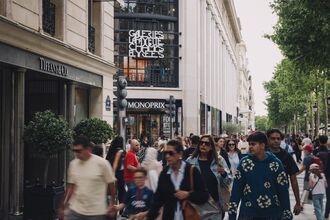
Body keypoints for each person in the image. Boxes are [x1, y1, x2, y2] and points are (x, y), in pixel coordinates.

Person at [229, 132, 292, 220]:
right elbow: (236, 190)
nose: (250, 147)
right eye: (249, 144)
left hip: (271, 214)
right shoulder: (244, 163)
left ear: (262, 145)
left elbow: (283, 191)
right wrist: (232, 215)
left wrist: (287, 214)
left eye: (253, 144)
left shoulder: (275, 164)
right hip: (248, 214)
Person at [147, 139, 209, 220]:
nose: (167, 156)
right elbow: (158, 199)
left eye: (171, 153)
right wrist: (150, 216)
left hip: (189, 216)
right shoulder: (165, 173)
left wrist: (188, 195)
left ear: (180, 154)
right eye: (165, 153)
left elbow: (204, 195)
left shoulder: (192, 171)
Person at [58, 136, 117, 220]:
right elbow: (70, 187)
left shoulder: (102, 163)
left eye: (79, 151)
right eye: (74, 151)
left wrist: (112, 204)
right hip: (75, 210)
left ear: (88, 149)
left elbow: (111, 184)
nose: (76, 153)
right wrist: (63, 207)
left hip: (96, 212)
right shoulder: (73, 164)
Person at [186, 135, 232, 218]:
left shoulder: (219, 160)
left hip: (215, 205)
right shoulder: (190, 160)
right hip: (196, 206)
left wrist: (223, 173)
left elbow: (228, 181)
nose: (203, 145)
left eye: (207, 143)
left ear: (211, 146)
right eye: (201, 143)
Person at [266, 129, 302, 215]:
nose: (276, 141)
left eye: (278, 139)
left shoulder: (287, 156)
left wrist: (298, 202)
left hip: (281, 197)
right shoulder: (261, 155)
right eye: (273, 138)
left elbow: (293, 180)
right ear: (268, 139)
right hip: (263, 197)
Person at [106, 136, 126, 204]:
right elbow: (116, 163)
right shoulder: (120, 151)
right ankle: (121, 208)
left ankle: (114, 204)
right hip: (119, 173)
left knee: (114, 190)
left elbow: (108, 160)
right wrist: (113, 175)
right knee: (121, 190)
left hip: (110, 171)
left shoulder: (112, 150)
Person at [315, 135, 330, 218]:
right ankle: (327, 213)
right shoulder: (328, 152)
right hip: (328, 176)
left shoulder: (315, 151)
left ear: (319, 141)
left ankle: (318, 212)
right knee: (328, 196)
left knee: (317, 195)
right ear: (327, 141)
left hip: (317, 176)